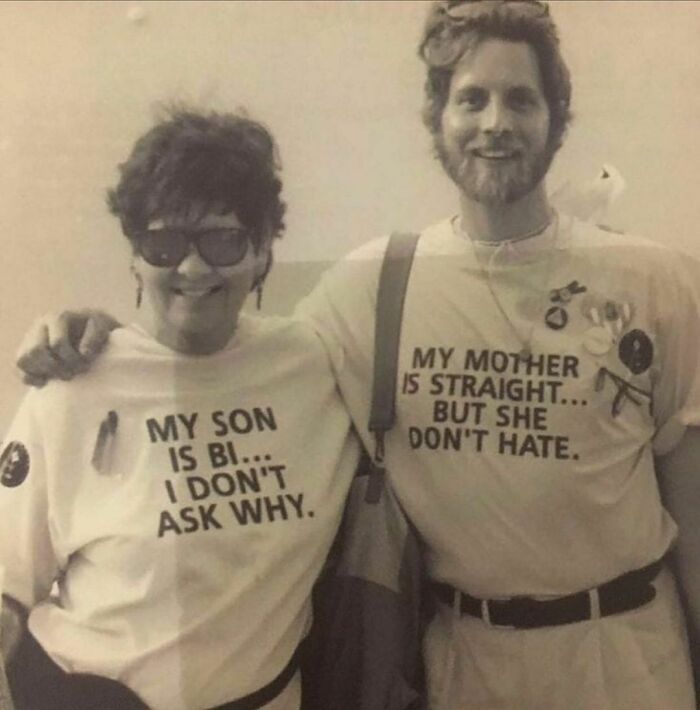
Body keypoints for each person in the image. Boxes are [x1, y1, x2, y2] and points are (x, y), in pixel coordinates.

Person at [13, 2, 700, 708]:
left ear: (556, 116)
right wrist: (92, 338)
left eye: (520, 99)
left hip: (624, 655)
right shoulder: (374, 287)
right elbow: (200, 339)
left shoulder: (655, 283)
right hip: (460, 660)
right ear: (437, 116)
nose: (495, 122)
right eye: (471, 99)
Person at [0, 107, 358, 709]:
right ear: (136, 257)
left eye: (223, 240)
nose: (192, 268)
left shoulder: (316, 364)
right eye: (164, 243)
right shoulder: (71, 388)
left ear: (263, 250)